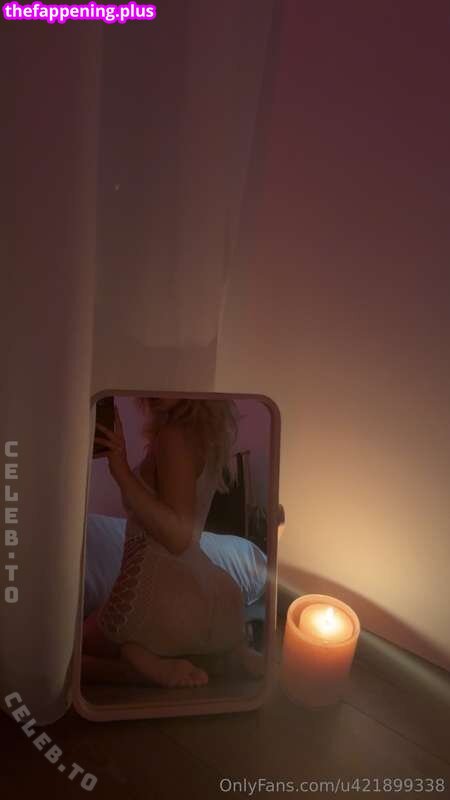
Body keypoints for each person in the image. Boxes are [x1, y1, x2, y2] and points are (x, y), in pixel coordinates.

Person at [82, 397, 263, 688]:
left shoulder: (175, 434)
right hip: (204, 590)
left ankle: (138, 664)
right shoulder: (202, 435)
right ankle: (199, 658)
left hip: (153, 588)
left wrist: (121, 471)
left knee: (71, 653)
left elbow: (179, 537)